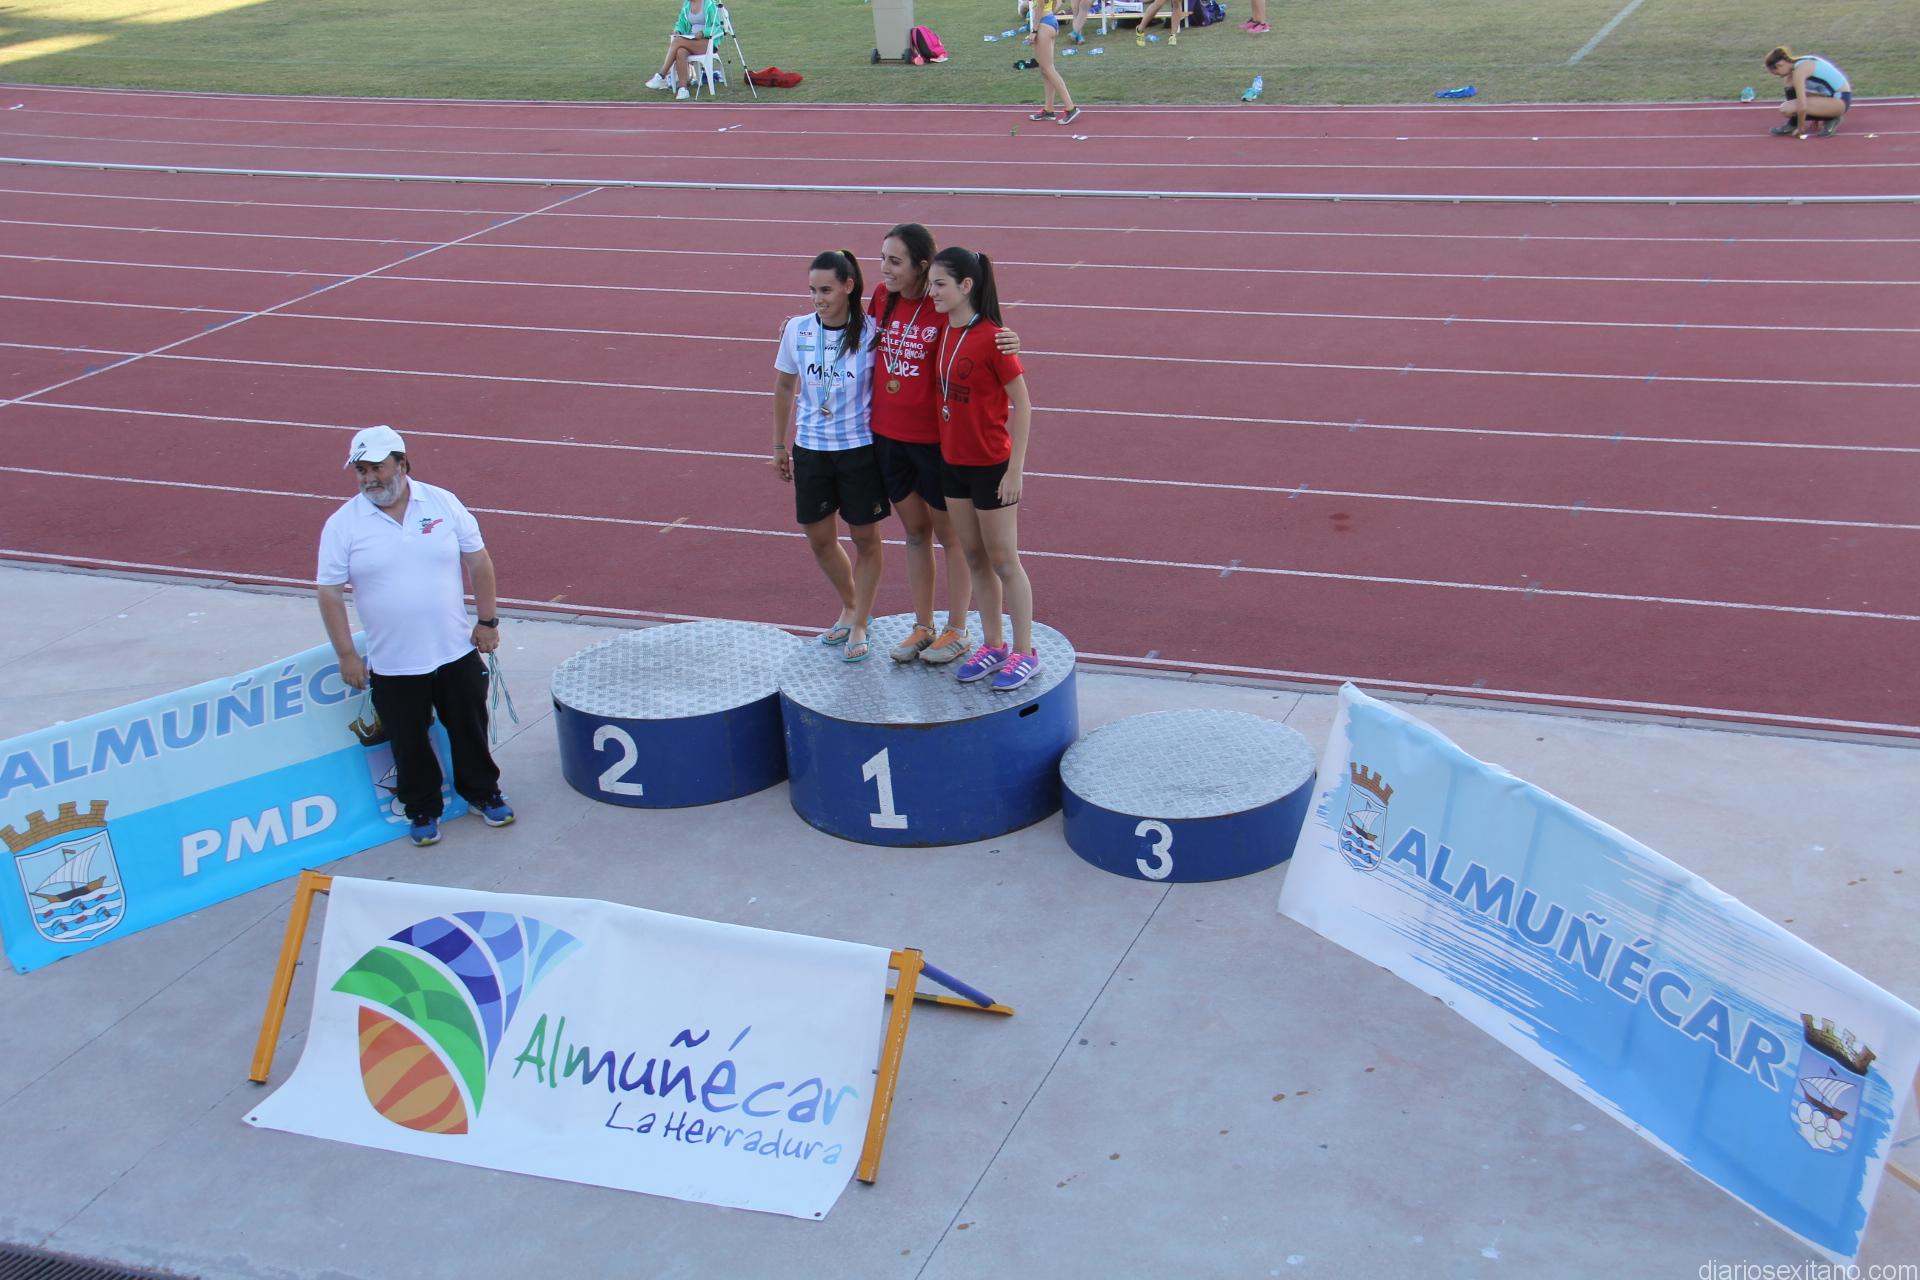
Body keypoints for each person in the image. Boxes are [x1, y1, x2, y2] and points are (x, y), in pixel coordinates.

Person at [316, 425, 513, 848]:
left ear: (402, 464)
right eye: (361, 470)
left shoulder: (443, 503)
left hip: (455, 650)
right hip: (393, 661)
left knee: (470, 728)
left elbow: (478, 561)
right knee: (408, 742)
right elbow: (329, 593)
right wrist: (347, 654)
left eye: (377, 468)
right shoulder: (342, 524)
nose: (369, 478)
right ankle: (422, 808)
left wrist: (488, 621)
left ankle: (483, 793)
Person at [868, 224, 1022, 666]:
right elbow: (856, 330)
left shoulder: (941, 303)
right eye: (883, 259)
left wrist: (1011, 338)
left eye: (895, 261)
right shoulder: (883, 297)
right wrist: (803, 325)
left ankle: (957, 628)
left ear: (921, 266)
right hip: (888, 435)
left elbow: (981, 333)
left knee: (950, 536)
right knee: (915, 533)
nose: (885, 269)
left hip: (935, 440)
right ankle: (923, 625)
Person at [925, 247, 1041, 691]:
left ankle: (1025, 651)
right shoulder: (944, 330)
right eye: (931, 284)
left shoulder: (994, 338)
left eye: (940, 284)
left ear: (966, 285)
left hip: (991, 467)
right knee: (974, 557)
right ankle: (993, 644)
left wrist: (1015, 470)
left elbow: (1024, 405)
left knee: (1004, 560)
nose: (933, 292)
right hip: (952, 464)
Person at [773, 251, 888, 663]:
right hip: (811, 450)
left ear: (848, 287)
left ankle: (859, 622)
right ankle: (852, 604)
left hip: (858, 451)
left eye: (825, 290)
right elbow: (785, 386)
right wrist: (778, 445)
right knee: (819, 538)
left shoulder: (872, 333)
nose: (817, 299)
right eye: (812, 290)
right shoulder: (797, 330)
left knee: (865, 539)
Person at [1764, 46, 1852, 138]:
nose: (1779, 76)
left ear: (1780, 65)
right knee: (1789, 81)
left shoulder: (1800, 70)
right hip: (1832, 98)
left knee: (1786, 109)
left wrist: (1800, 129)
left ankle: (1831, 118)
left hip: (1841, 101)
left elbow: (1802, 106)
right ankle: (1795, 123)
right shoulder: (1800, 63)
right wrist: (1816, 113)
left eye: (1777, 73)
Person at [646, 0, 726, 101]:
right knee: (681, 51)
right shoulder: (687, 4)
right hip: (691, 40)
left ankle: (661, 75)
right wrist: (678, 30)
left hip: (708, 43)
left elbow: (718, 27)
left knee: (677, 41)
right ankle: (683, 89)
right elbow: (681, 22)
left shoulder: (710, 4)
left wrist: (703, 33)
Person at [1022, 0, 1082, 125]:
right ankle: (1049, 110)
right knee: (1045, 70)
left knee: (1048, 69)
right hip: (1050, 21)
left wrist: (1034, 31)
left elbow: (1040, 6)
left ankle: (1071, 108)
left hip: (1044, 24)